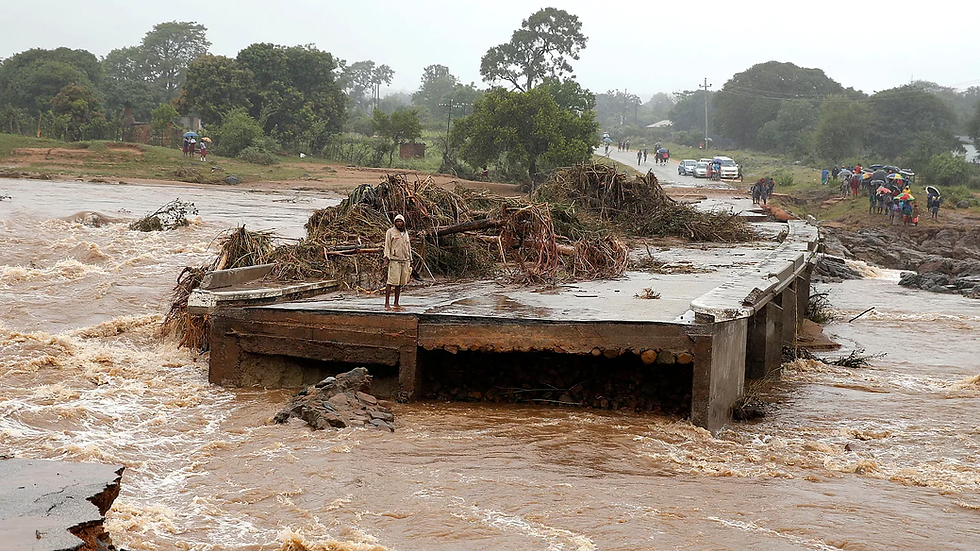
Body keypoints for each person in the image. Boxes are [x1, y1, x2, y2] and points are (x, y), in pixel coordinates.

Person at [384, 214, 412, 310]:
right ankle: (387, 304)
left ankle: (396, 303)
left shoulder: (405, 233)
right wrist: (386, 257)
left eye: (400, 221)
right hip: (394, 260)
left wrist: (410, 258)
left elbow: (408, 247)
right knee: (391, 282)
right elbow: (387, 246)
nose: (399, 223)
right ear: (394, 222)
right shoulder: (390, 232)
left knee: (400, 283)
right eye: (397, 221)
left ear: (403, 222)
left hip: (404, 260)